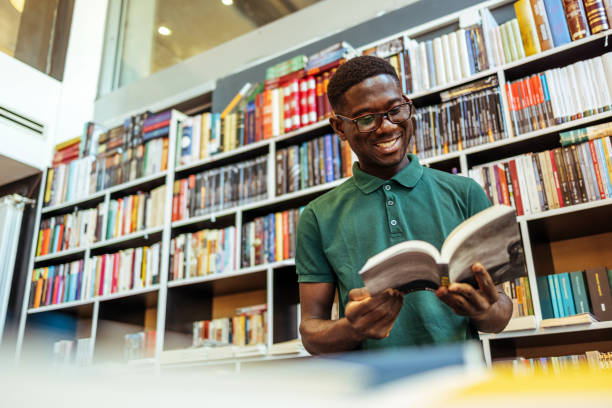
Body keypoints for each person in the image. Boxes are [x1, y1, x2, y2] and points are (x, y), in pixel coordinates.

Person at [296, 55, 512, 355]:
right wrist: (352, 328)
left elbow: (500, 314)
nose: (386, 128)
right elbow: (311, 331)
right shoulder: (317, 217)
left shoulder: (465, 193)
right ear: (339, 128)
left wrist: (483, 310)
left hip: (460, 387)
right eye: (366, 119)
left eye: (395, 110)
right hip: (373, 393)